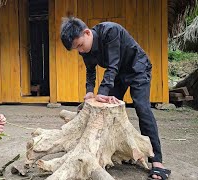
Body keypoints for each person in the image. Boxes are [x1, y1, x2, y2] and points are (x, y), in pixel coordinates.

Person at [60, 17, 171, 180]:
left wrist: (103, 92)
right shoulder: (85, 48)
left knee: (142, 109)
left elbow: (113, 65)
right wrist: (90, 92)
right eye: (76, 49)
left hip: (137, 68)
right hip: (118, 75)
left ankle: (157, 161)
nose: (80, 51)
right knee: (105, 112)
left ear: (87, 33)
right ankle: (107, 153)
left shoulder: (111, 31)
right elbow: (90, 71)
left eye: (80, 46)